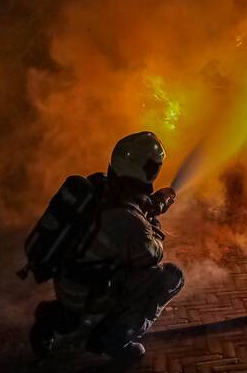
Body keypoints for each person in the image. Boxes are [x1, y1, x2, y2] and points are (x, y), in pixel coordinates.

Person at [31, 131, 184, 360]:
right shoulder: (130, 220)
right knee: (171, 277)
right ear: (149, 170)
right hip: (88, 294)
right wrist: (152, 223)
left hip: (65, 283)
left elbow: (117, 216)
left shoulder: (98, 184)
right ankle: (113, 338)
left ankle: (57, 317)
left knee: (108, 258)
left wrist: (146, 207)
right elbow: (152, 256)